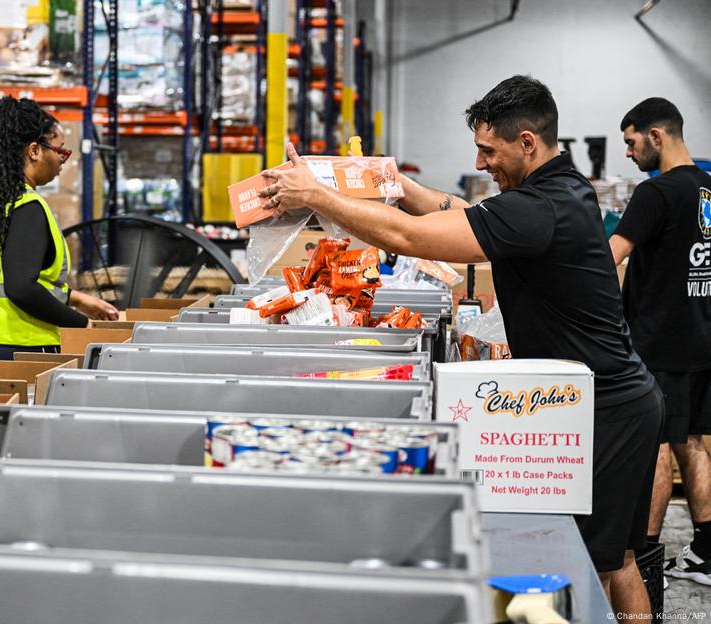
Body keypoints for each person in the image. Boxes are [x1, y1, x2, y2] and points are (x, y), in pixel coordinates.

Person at [258, 75, 662, 618]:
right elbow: (451, 208)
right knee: (617, 558)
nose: (480, 163)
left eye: (488, 150)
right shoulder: (555, 189)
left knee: (595, 563)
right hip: (608, 396)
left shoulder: (538, 210)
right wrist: (387, 182)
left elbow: (409, 239)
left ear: (527, 143)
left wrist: (318, 196)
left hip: (607, 407)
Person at [609, 97, 711, 586]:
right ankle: (707, 552)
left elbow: (611, 255)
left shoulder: (656, 193)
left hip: (658, 341)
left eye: (631, 142)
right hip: (702, 336)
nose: (628, 153)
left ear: (655, 136)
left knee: (655, 447)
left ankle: (646, 556)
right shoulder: (709, 189)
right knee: (691, 440)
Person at [0, 96, 118, 373]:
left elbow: (2, 275)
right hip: (14, 348)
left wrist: (76, 299)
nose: (62, 162)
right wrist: (81, 324)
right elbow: (21, 288)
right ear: (35, 150)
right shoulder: (26, 207)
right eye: (60, 151)